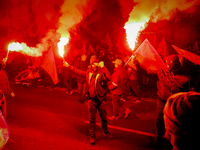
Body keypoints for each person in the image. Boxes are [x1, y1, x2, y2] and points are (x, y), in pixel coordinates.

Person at [132, 54, 189, 150]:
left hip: (175, 105)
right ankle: (157, 145)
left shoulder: (184, 78)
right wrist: (137, 63)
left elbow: (186, 95)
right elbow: (146, 72)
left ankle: (174, 145)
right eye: (166, 62)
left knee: (175, 127)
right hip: (162, 103)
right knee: (159, 125)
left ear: (176, 63)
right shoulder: (161, 72)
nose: (167, 64)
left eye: (170, 62)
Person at [63, 55, 113, 145]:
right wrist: (69, 66)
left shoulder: (101, 72)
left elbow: (109, 78)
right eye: (92, 64)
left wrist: (104, 67)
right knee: (92, 120)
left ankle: (106, 132)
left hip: (101, 99)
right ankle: (92, 135)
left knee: (104, 118)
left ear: (98, 64)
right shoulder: (88, 72)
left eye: (95, 63)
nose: (94, 65)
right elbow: (78, 72)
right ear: (91, 64)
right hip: (92, 100)